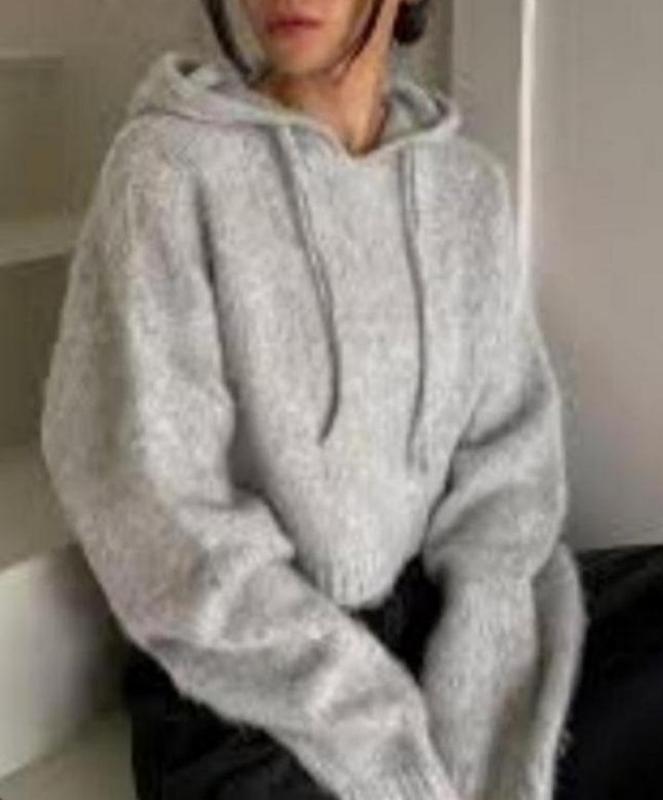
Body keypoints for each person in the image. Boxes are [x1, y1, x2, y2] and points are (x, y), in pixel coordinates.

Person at [39, 0, 591, 798]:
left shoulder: (469, 191)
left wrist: (481, 674)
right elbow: (154, 508)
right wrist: (375, 730)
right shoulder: (165, 170)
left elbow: (510, 465)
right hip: (244, 679)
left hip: (428, 618)